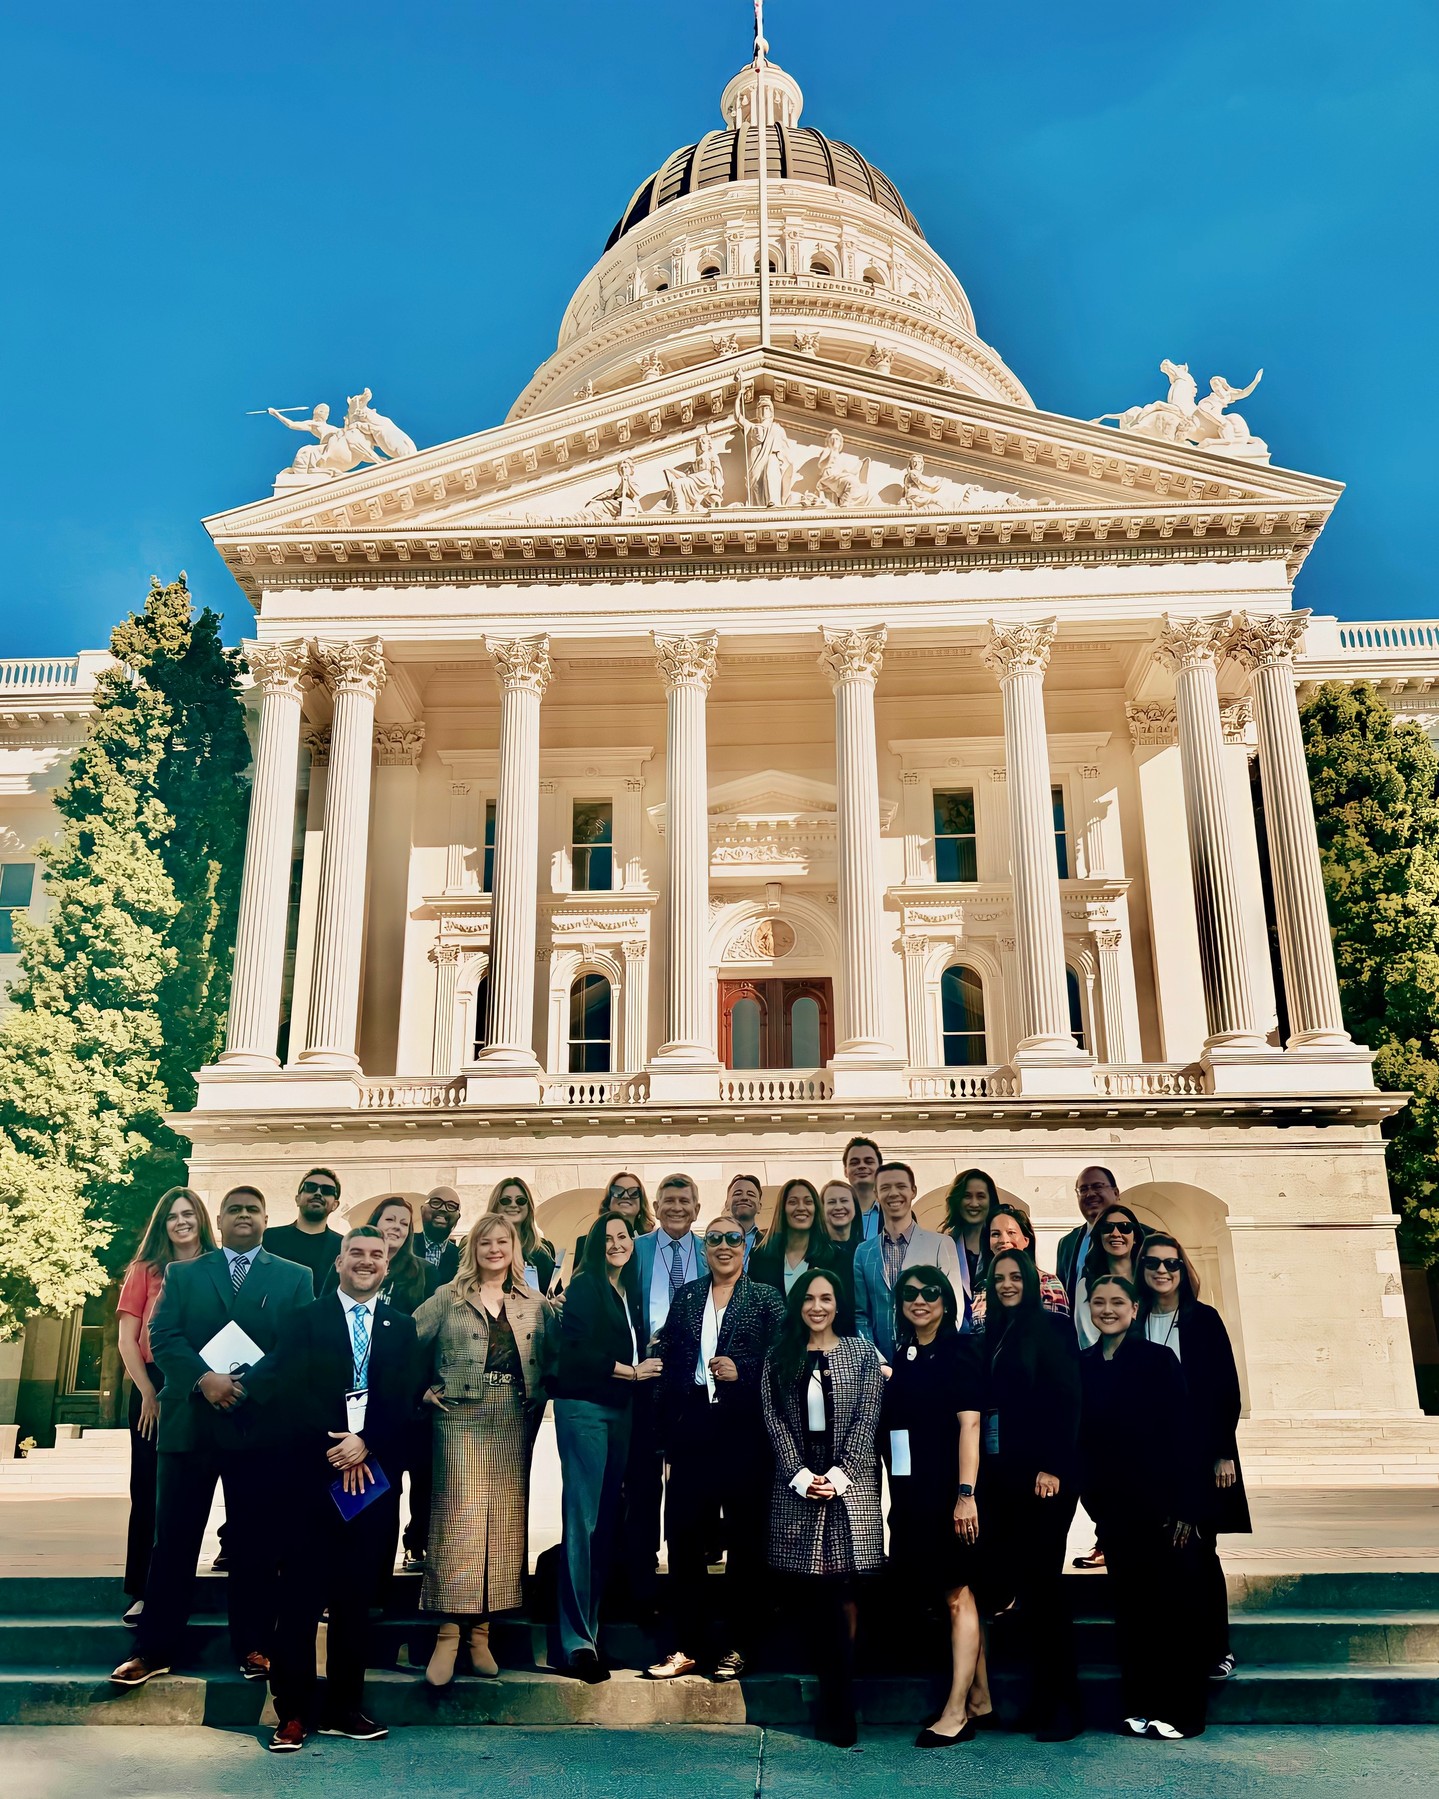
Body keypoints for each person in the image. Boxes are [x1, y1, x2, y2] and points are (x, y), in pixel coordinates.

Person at [110, 1187, 313, 1688]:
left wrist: (246, 1387)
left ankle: (254, 1645)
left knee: (256, 1543)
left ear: (266, 1218)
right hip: (191, 1425)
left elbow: (298, 1345)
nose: (243, 1215)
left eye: (252, 1209)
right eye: (234, 1209)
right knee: (173, 1540)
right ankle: (153, 1649)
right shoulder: (184, 1274)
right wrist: (205, 1380)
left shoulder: (295, 1277)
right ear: (218, 1221)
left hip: (259, 1427)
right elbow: (162, 1336)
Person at [256, 1226, 424, 1752]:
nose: (366, 1261)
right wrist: (337, 1448)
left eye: (377, 1254)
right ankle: (292, 1712)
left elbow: (404, 1399)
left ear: (387, 1265)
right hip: (310, 1476)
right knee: (300, 1598)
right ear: (339, 1261)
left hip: (372, 1482)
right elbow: (288, 1393)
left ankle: (345, 1707)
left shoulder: (402, 1327)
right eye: (356, 1253)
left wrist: (365, 1444)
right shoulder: (304, 1320)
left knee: (356, 1599)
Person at [412, 1214, 555, 1686]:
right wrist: (420, 1391)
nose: (494, 1249)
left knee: (504, 1525)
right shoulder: (447, 1297)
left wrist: (542, 1391)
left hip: (512, 1416)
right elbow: (404, 1344)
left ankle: (482, 1635)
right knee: (458, 1521)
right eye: (485, 1242)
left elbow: (555, 1359)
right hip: (458, 1417)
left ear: (516, 1249)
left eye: (503, 1242)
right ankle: (448, 1634)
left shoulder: (536, 1304)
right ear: (472, 1249)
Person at [647, 1214, 786, 1683]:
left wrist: (743, 1369)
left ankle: (739, 1645)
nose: (724, 1246)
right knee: (684, 1537)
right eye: (715, 1239)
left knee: (745, 1541)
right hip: (692, 1429)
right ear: (704, 1249)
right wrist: (665, 1436)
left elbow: (784, 1358)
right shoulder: (687, 1296)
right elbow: (669, 1362)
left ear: (745, 1247)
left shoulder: (766, 1297)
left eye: (733, 1238)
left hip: (744, 1431)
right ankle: (687, 1645)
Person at [1081, 1274, 1208, 1740]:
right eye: (1099, 1302)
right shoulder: (1084, 1364)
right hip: (1116, 1512)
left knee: (1170, 1611)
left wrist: (1187, 1506)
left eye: (1117, 1302)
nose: (1107, 1310)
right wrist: (1096, 1508)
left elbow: (1184, 1433)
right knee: (1132, 1613)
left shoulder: (1158, 1360)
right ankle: (1141, 1705)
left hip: (1164, 1509)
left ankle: (1182, 1712)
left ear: (1134, 1309)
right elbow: (1084, 1441)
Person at [761, 1269, 884, 1747]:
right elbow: (772, 1417)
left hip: (848, 1486)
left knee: (844, 1589)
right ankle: (827, 1695)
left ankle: (841, 1702)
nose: (817, 1307)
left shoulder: (860, 1353)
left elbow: (868, 1416)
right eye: (809, 1298)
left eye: (826, 1298)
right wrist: (798, 1474)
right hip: (799, 1483)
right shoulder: (779, 1355)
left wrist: (839, 1476)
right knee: (813, 1594)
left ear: (838, 1304)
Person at [978, 1250, 1084, 1740]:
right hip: (1006, 1479)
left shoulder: (1053, 1327)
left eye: (1014, 1276)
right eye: (998, 1277)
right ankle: (1039, 1702)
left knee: (1045, 1589)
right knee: (1025, 1592)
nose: (1006, 1284)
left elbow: (1068, 1399)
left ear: (1030, 1280)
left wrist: (1054, 1465)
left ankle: (1064, 1707)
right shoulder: (992, 1331)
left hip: (1045, 1480)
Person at [880, 1266, 985, 1748]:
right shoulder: (904, 1353)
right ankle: (981, 1697)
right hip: (912, 1494)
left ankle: (957, 1711)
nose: (919, 1300)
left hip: (950, 1493)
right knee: (951, 1592)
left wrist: (966, 1495)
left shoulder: (960, 1351)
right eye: (910, 1293)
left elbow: (970, 1425)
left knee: (957, 1593)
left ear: (946, 1301)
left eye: (930, 1293)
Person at [1139, 1232, 1251, 1679]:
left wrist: (1224, 1452)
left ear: (1183, 1270)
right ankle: (1175, 1648)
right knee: (1160, 1555)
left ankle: (1216, 1647)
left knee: (1200, 1552)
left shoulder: (1203, 1319)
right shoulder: (1136, 1318)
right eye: (1153, 1263)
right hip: (1153, 1459)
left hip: (1202, 1455)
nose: (1162, 1271)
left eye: (1171, 1263)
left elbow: (1226, 1388)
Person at [553, 1213, 658, 1681]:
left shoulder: (627, 1291)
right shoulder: (585, 1285)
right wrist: (631, 1371)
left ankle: (590, 1633)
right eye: (608, 1238)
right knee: (584, 1522)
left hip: (620, 1411)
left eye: (623, 1236)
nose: (617, 1243)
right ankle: (576, 1643)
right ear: (595, 1245)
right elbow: (576, 1351)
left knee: (604, 1523)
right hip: (586, 1409)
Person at [115, 1187, 215, 1627]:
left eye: (188, 1213)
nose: (181, 1222)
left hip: (206, 1383)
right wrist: (148, 1393)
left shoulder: (218, 1267)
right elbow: (127, 1340)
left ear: (201, 1219)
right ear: (163, 1224)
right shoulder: (145, 1270)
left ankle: (180, 1587)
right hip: (154, 1384)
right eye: (173, 1216)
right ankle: (143, 1590)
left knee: (192, 1494)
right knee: (150, 1491)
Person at [625, 1174, 704, 1614]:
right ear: (655, 1207)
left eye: (684, 1201)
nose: (676, 1207)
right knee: (642, 1480)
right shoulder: (635, 1250)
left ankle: (685, 1571)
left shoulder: (713, 1249)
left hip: (691, 1382)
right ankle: (641, 1571)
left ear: (697, 1208)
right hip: (645, 1377)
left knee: (688, 1481)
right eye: (668, 1200)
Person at [1059, 1167, 1121, 1570]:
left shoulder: (1137, 1233)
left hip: (1122, 1362)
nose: (1091, 1195)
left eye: (1098, 1187)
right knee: (1087, 1461)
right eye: (1083, 1190)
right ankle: (1107, 1535)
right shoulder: (1070, 1242)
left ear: (1116, 1191)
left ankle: (1116, 1539)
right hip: (1083, 1364)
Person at [852, 1162, 963, 1363]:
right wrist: (877, 1362)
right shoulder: (863, 1252)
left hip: (929, 1362)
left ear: (913, 1191)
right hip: (880, 1364)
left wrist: (933, 1354)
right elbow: (861, 1315)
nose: (894, 1193)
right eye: (885, 1187)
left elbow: (953, 1308)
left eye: (901, 1186)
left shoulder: (941, 1244)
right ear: (876, 1194)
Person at [966, 1205, 1070, 1334]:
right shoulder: (982, 1287)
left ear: (1026, 1240)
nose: (1003, 1240)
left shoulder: (1047, 1282)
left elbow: (1057, 1332)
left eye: (1011, 1233)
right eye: (995, 1234)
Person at [323, 1197, 427, 1316]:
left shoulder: (422, 1271)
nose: (397, 1227)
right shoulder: (347, 1263)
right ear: (375, 1223)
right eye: (390, 1220)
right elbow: (324, 1307)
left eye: (404, 1224)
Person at [262, 1168, 345, 1297]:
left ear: (335, 1205)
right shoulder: (268, 1238)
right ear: (297, 1199)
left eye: (327, 1190)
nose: (318, 1193)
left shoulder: (344, 1247)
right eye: (310, 1187)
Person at [748, 1178, 836, 1297]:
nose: (801, 1208)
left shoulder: (835, 1257)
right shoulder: (759, 1257)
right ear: (782, 1209)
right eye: (793, 1202)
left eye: (808, 1202)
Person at [1076, 1204, 1148, 1348]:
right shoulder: (1087, 1284)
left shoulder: (1148, 1279)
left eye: (1124, 1227)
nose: (1115, 1233)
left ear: (1135, 1237)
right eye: (1107, 1228)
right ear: (1099, 1237)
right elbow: (1088, 1338)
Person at [942, 1168, 999, 1321]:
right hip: (956, 1331)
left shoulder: (1001, 1245)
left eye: (981, 1196)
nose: (974, 1203)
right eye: (967, 1196)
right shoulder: (944, 1246)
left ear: (990, 1201)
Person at [572, 1171, 654, 1276]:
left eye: (634, 1192)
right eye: (617, 1191)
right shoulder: (585, 1244)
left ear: (641, 1202)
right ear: (608, 1202)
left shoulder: (652, 1244)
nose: (625, 1196)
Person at [487, 1175, 558, 1294]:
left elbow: (554, 1293)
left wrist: (556, 1301)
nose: (513, 1205)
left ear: (528, 1207)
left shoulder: (541, 1253)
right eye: (505, 1200)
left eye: (520, 1200)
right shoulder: (478, 1247)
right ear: (495, 1206)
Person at [413, 1186, 461, 1294]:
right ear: (422, 1210)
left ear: (458, 1217)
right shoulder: (404, 1247)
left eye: (451, 1206)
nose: (443, 1209)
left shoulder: (462, 1259)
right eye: (436, 1202)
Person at [819, 1179, 861, 1284]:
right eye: (831, 1202)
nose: (838, 1207)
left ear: (855, 1206)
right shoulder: (814, 1252)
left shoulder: (865, 1251)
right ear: (822, 1209)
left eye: (844, 1200)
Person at [841, 1136, 884, 1240]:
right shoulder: (828, 1217)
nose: (862, 1166)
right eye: (854, 1163)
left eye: (868, 1161)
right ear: (846, 1171)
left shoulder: (901, 1216)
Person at [725, 1174, 765, 1265]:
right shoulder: (709, 1243)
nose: (744, 1198)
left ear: (759, 1206)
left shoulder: (772, 1245)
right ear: (726, 1204)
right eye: (737, 1193)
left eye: (751, 1194)